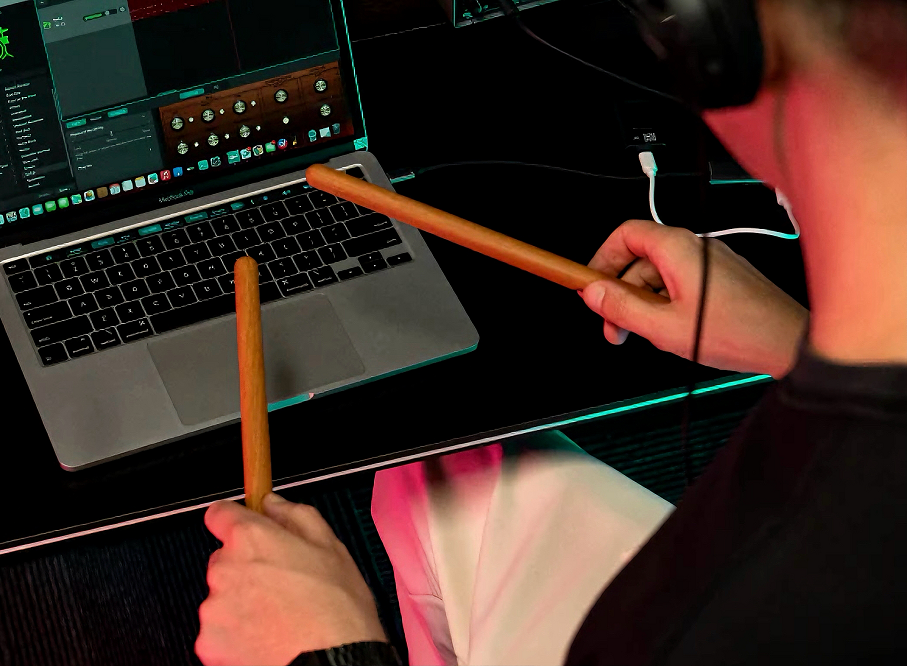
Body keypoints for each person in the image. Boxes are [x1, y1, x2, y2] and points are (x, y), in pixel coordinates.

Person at [194, 0, 906, 663]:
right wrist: (791, 343)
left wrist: (330, 648)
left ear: (716, 40)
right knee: (444, 467)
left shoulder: (714, 617)